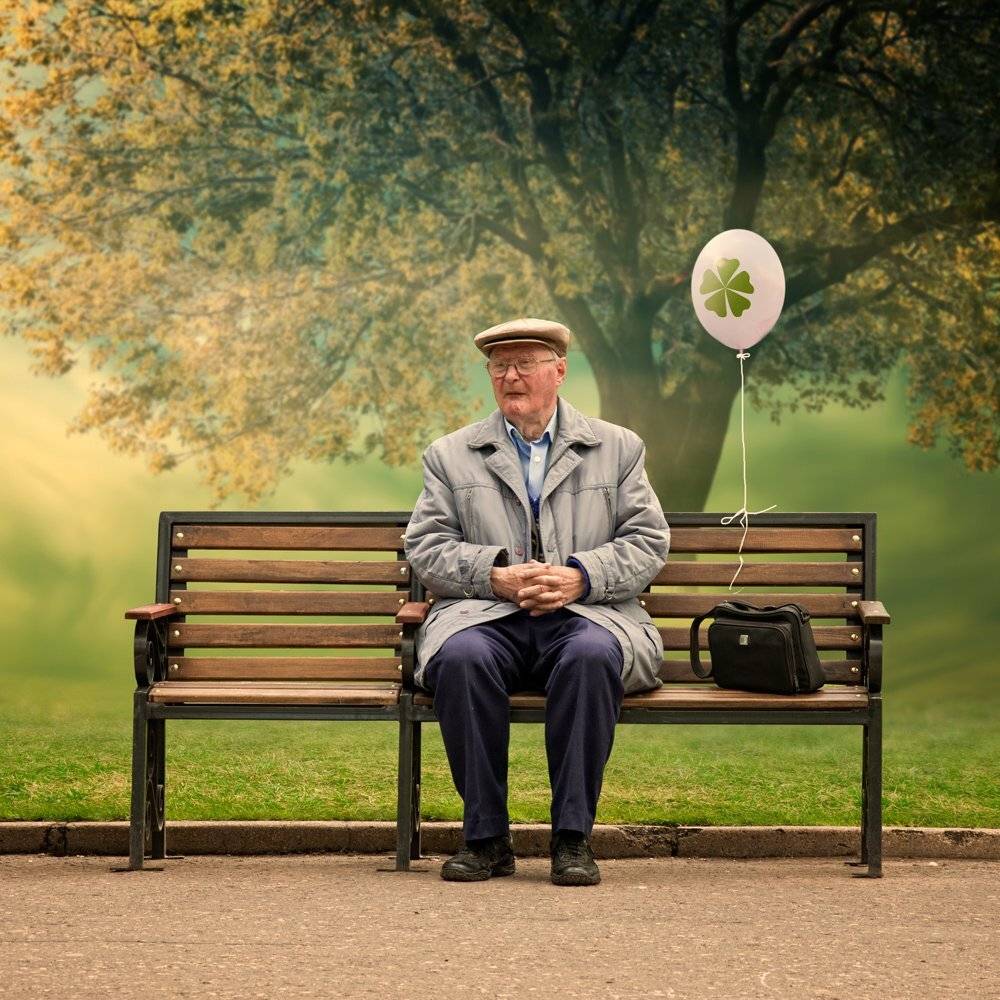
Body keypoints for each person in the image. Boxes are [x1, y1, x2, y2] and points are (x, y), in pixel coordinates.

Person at [403, 317, 670, 886]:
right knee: (461, 659)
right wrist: (493, 574)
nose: (511, 376)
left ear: (560, 371)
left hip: (589, 614)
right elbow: (426, 548)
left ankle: (572, 839)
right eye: (499, 366)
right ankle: (485, 839)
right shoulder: (449, 455)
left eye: (525, 363)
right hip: (486, 614)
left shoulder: (618, 448)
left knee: (592, 657)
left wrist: (581, 576)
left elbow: (648, 543)